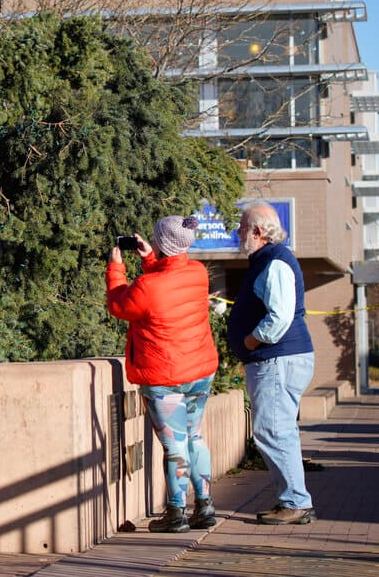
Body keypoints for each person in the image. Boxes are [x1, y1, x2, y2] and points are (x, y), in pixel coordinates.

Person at [105, 215, 219, 533]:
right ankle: (205, 506)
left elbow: (120, 306)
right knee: (195, 437)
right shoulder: (197, 273)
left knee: (175, 445)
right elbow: (168, 281)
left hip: (164, 376)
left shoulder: (147, 286)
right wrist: (150, 259)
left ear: (160, 242)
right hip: (200, 371)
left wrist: (116, 267)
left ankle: (177, 512)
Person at [227, 201, 316, 525]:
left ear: (258, 232)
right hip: (278, 360)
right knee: (279, 431)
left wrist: (251, 339)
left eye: (242, 227)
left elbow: (280, 316)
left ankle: (295, 501)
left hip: (277, 360)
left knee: (271, 431)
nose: (238, 233)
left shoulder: (276, 262)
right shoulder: (269, 260)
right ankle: (293, 500)